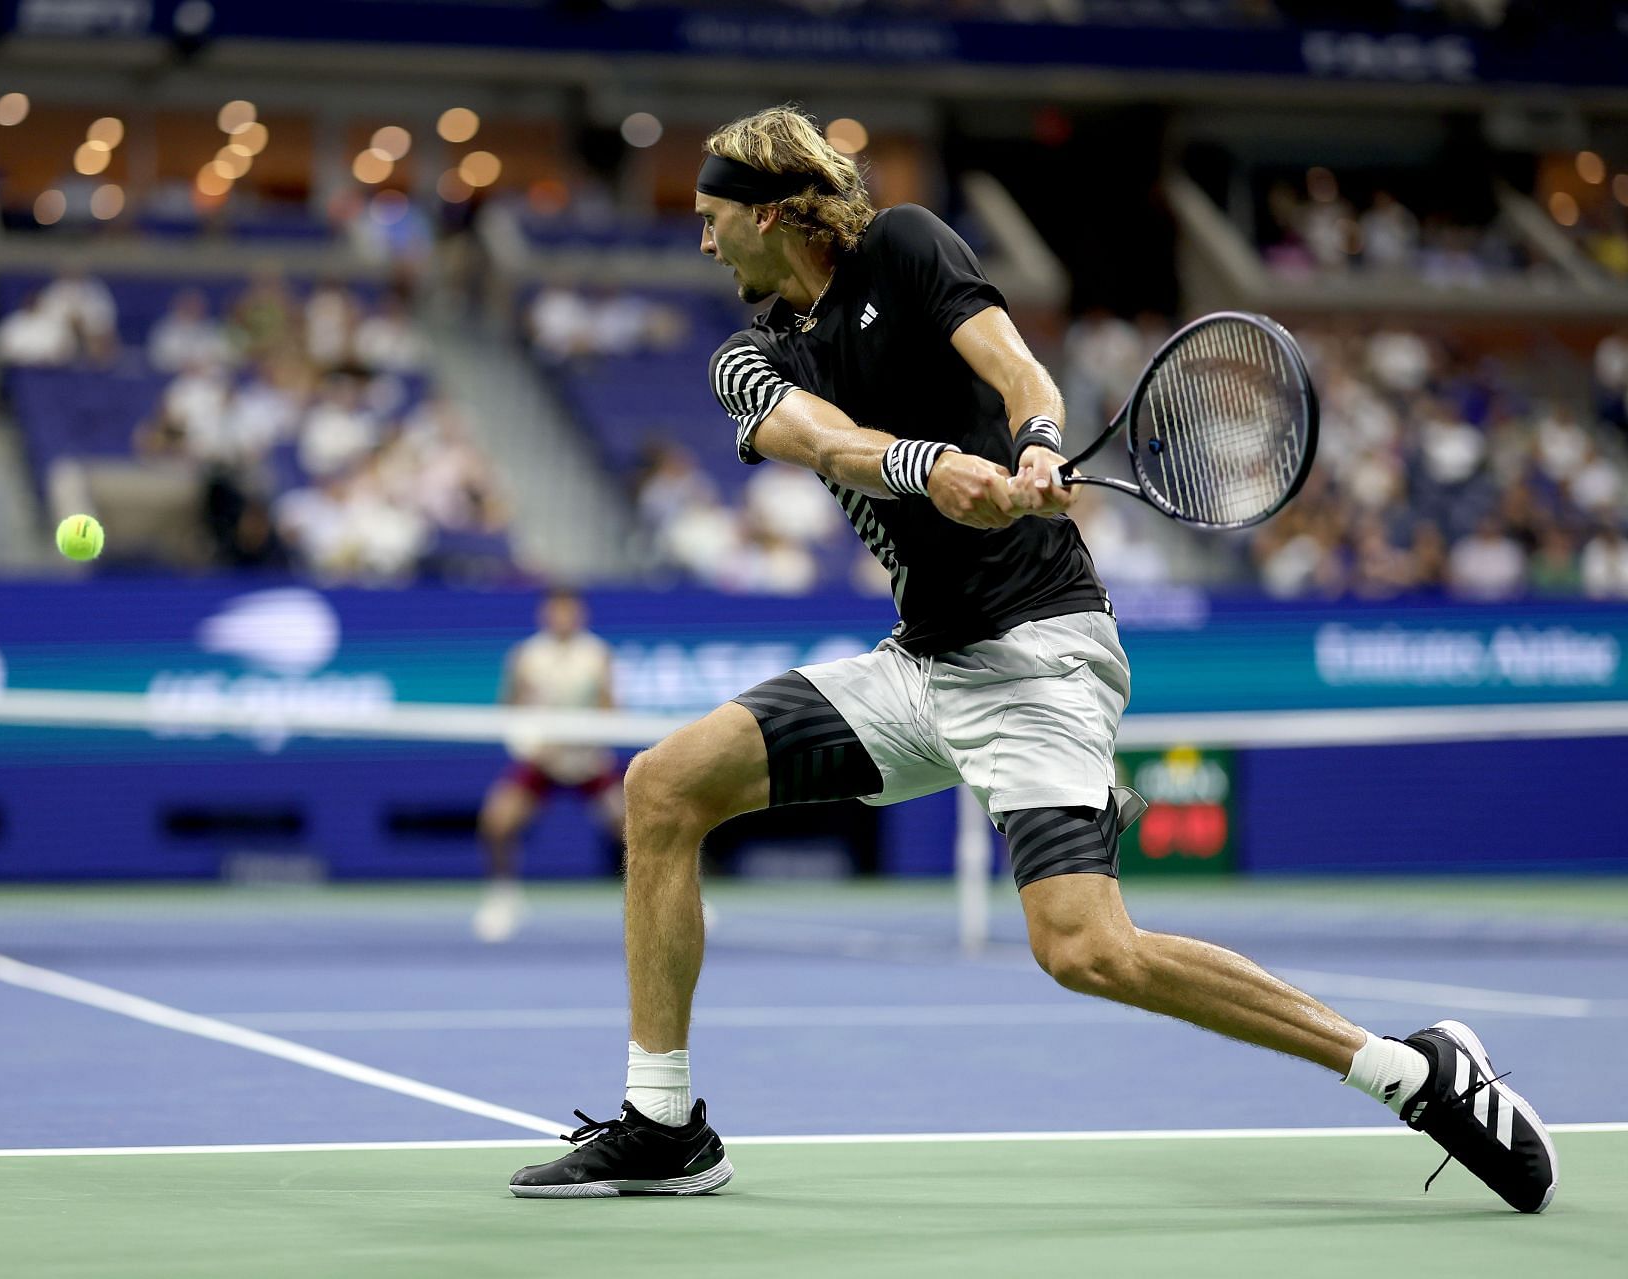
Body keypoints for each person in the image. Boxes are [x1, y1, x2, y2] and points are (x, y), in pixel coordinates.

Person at [508, 106, 1558, 1212]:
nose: (705, 241)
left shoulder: (907, 245)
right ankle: (664, 1125)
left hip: (1040, 651)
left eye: (714, 216)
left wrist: (1039, 443)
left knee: (1085, 948)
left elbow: (1018, 371)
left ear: (772, 211)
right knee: (662, 785)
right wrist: (925, 466)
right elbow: (817, 439)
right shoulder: (750, 353)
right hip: (922, 667)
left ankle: (1413, 1073)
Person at [473, 589, 624, 943]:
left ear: (580, 615)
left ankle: (679, 901)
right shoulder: (526, 656)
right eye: (556, 612)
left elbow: (610, 709)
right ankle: (503, 899)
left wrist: (587, 740)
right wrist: (530, 745)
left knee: (637, 829)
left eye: (569, 612)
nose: (563, 618)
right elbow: (509, 707)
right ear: (545, 615)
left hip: (587, 760)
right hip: (540, 761)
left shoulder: (597, 655)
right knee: (496, 821)